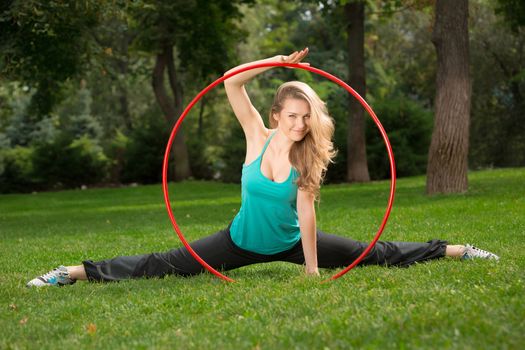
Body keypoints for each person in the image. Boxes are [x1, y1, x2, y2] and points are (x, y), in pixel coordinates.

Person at [27, 48, 499, 288]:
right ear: (275, 116)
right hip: (238, 241)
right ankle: (71, 274)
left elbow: (308, 214)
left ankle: (457, 250)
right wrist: (274, 61)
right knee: (162, 264)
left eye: (305, 116)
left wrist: (312, 268)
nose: (299, 123)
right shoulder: (256, 134)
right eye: (291, 116)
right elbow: (232, 83)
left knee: (374, 252)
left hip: (291, 245)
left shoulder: (309, 154)